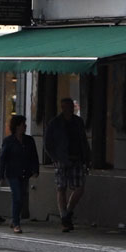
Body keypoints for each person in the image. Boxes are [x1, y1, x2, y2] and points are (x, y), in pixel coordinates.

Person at [44, 98, 91, 232]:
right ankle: (64, 216)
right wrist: (55, 158)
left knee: (79, 187)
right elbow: (47, 143)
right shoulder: (55, 123)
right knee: (61, 188)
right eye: (65, 107)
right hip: (62, 159)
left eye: (70, 106)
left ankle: (68, 212)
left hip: (77, 158)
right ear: (62, 108)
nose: (68, 109)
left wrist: (86, 157)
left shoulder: (78, 122)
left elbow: (83, 140)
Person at [0, 114, 39, 234]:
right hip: (13, 173)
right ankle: (16, 223)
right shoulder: (8, 141)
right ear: (16, 126)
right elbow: (3, 158)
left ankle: (14, 218)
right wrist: (1, 174)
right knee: (17, 196)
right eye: (22, 124)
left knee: (21, 197)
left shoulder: (29, 140)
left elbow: (34, 156)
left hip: (25, 172)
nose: (25, 126)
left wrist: (35, 170)